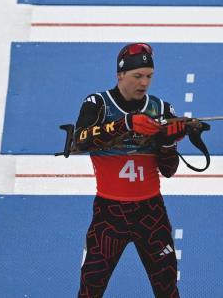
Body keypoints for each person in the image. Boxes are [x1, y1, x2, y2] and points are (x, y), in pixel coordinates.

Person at [73, 43, 187, 298]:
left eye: (149, 76)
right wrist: (125, 124)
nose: (144, 82)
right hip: (110, 214)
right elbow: (79, 141)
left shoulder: (161, 108)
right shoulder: (97, 103)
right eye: (138, 76)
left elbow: (168, 170)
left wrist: (168, 141)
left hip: (151, 212)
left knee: (167, 286)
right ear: (120, 75)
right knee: (91, 286)